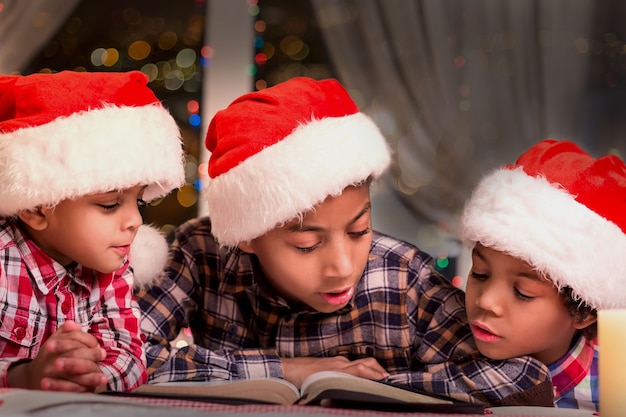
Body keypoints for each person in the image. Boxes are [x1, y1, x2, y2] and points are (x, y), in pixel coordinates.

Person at [137, 77, 554, 406]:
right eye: (306, 244)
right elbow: (126, 353)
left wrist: (363, 385)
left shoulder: (402, 276)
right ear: (245, 237)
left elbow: (522, 378)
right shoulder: (202, 251)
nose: (342, 266)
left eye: (359, 231)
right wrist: (285, 370)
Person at [0, 70, 185, 392]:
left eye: (138, 201)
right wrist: (23, 378)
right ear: (34, 208)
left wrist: (87, 377)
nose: (136, 221)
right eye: (110, 204)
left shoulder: (112, 265)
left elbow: (129, 356)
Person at [458, 139, 626, 410]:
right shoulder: (446, 347)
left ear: (583, 311)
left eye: (522, 292)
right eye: (480, 273)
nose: (486, 301)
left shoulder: (613, 392)